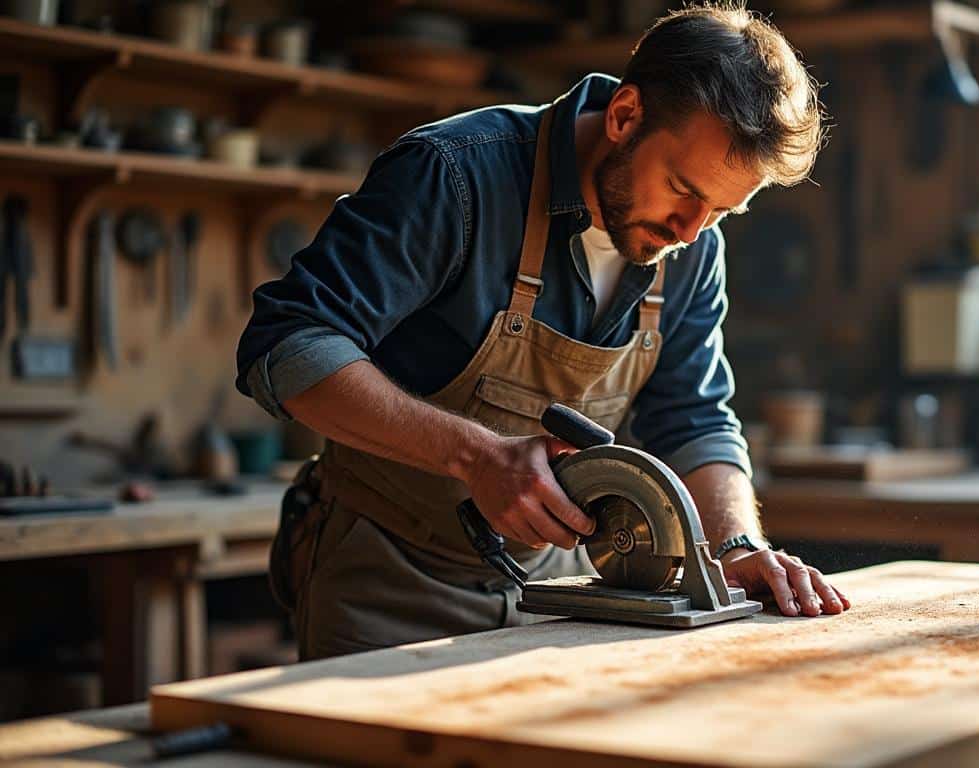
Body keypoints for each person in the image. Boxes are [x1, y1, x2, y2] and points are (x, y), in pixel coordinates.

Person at [236, 4, 850, 661]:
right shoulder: (456, 176)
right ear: (624, 116)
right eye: (681, 190)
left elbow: (694, 417)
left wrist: (735, 545)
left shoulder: (694, 244)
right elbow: (288, 341)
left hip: (556, 595)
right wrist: (477, 457)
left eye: (722, 211)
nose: (690, 231)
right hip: (387, 580)